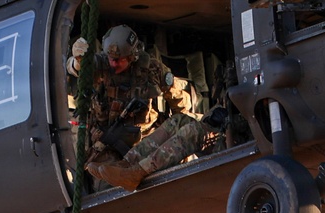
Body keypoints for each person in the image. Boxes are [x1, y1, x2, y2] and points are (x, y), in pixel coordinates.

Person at [66, 25, 193, 169]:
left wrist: (180, 130)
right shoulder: (101, 64)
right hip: (108, 141)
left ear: (132, 57)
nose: (113, 63)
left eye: (119, 60)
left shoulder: (151, 69)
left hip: (146, 140)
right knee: (103, 176)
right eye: (111, 58)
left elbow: (178, 98)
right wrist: (78, 61)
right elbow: (75, 68)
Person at [87, 106, 227, 191]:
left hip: (231, 151)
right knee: (178, 121)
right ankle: (127, 164)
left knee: (194, 131)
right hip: (225, 138)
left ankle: (137, 172)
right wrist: (212, 118)